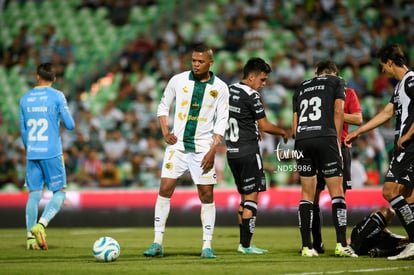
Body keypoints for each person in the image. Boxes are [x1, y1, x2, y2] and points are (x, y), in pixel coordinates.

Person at [143, 43, 229, 259]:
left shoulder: (220, 87)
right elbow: (163, 107)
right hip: (178, 146)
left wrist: (213, 149)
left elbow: (222, 119)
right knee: (165, 189)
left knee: (206, 194)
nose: (196, 64)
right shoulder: (178, 80)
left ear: (210, 63)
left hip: (203, 148)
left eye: (201, 61)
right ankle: (157, 243)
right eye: (193, 61)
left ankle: (207, 246)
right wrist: (165, 131)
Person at [345, 44, 414, 260]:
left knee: (389, 192)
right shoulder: (401, 87)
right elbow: (386, 113)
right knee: (408, 196)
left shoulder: (411, 80)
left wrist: (409, 135)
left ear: (390, 62)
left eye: (384, 66)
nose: (383, 71)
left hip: (409, 146)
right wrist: (360, 131)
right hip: (407, 146)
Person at [292, 60, 357, 257]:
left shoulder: (301, 87)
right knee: (337, 192)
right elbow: (338, 111)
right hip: (326, 138)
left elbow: (294, 124)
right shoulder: (338, 82)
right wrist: (336, 141)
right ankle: (340, 245)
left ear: (316, 72)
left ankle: (306, 247)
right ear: (334, 73)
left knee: (306, 194)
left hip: (302, 139)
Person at [225, 57, 288, 254]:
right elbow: (265, 126)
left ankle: (243, 243)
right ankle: (246, 245)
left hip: (232, 152)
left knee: (244, 199)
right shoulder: (252, 96)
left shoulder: (229, 90)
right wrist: (284, 132)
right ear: (251, 77)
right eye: (262, 79)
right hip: (249, 151)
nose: (264, 84)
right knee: (252, 198)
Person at [19, 63, 75, 250]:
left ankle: (29, 239)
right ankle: (41, 225)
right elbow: (70, 124)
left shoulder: (25, 99)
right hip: (52, 152)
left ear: (37, 77)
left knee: (34, 194)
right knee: (59, 193)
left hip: (32, 152)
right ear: (55, 78)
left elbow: (24, 131)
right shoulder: (57, 96)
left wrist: (32, 149)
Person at [312, 61, 363, 254]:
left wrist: (337, 114)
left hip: (340, 146)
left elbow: (358, 119)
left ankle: (340, 242)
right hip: (318, 145)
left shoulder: (348, 93)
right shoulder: (313, 93)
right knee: (313, 196)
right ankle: (317, 242)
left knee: (340, 195)